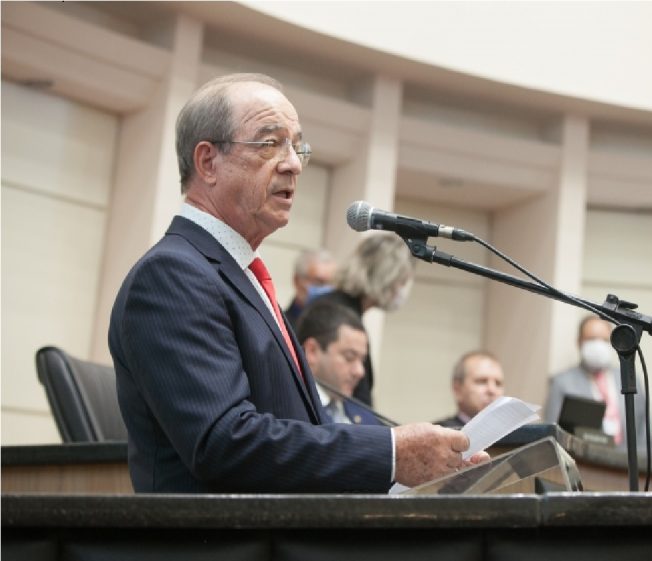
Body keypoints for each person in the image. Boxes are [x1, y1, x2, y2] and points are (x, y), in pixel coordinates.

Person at [108, 73, 487, 494]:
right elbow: (223, 444)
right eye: (270, 144)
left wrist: (406, 471)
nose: (293, 163)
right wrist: (391, 453)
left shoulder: (243, 276)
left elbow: (304, 430)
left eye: (297, 145)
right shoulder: (171, 276)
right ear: (208, 162)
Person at [315, 232, 415, 406]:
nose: (401, 290)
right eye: (402, 281)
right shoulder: (339, 316)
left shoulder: (337, 306)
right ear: (386, 276)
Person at [543, 315, 647, 448]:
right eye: (591, 339)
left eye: (604, 340)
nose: (598, 345)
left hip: (625, 464)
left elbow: (643, 431)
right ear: (579, 342)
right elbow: (552, 434)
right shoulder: (562, 383)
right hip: (584, 462)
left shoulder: (629, 378)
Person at [296, 300, 382, 425]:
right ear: (312, 351)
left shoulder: (367, 419)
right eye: (349, 357)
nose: (360, 371)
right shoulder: (289, 414)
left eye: (362, 360)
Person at [434, 351, 505, 428]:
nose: (492, 390)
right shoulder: (438, 435)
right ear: (457, 390)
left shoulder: (513, 434)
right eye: (482, 381)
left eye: (498, 383)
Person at [284, 248, 337, 328]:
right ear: (297, 281)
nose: (327, 289)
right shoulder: (280, 327)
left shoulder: (340, 326)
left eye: (332, 283)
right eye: (319, 282)